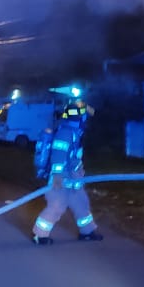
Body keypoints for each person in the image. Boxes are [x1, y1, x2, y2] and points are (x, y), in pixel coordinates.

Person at [31, 98, 103, 245]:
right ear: (78, 117)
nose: (85, 119)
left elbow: (92, 112)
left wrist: (83, 104)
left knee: (81, 203)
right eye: (83, 116)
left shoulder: (75, 132)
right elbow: (58, 155)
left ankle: (87, 232)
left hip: (74, 177)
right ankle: (40, 235)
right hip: (61, 177)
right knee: (57, 205)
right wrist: (57, 176)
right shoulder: (65, 133)